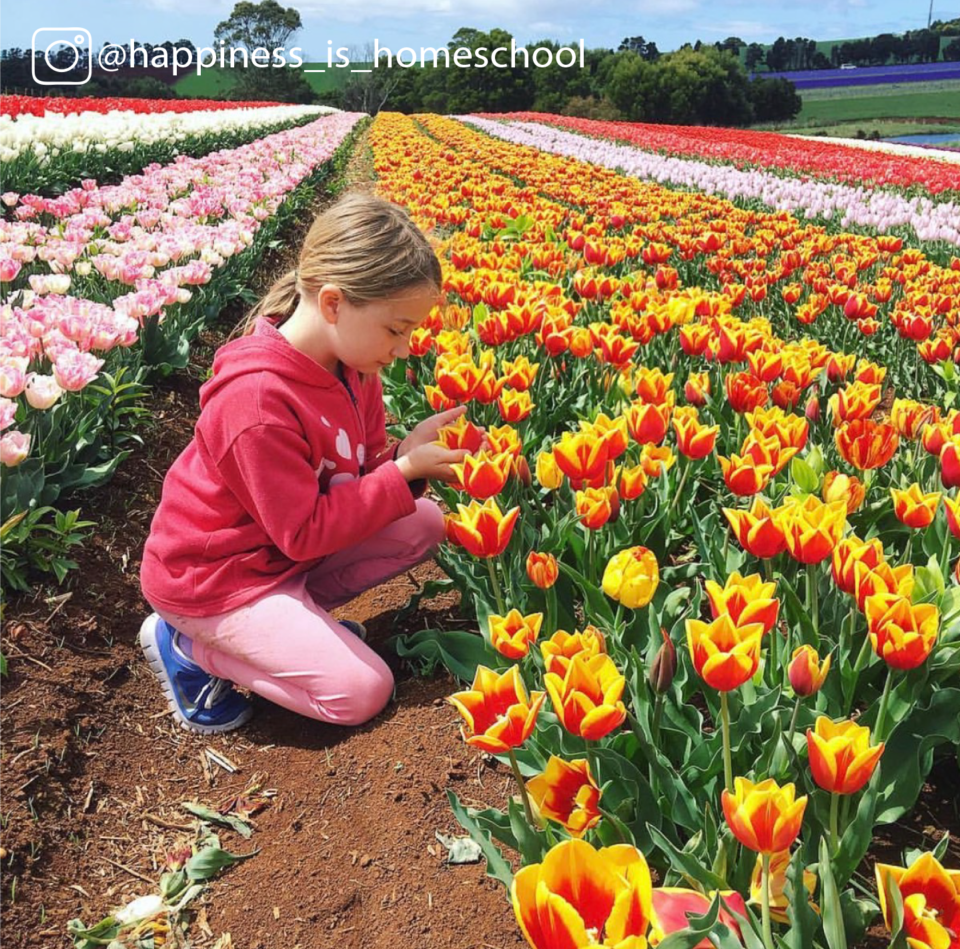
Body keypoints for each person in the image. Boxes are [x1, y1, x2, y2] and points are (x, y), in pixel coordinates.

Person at [139, 193, 477, 734]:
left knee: (425, 522)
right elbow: (304, 532)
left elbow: (359, 479)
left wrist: (402, 456)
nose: (407, 348)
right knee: (363, 692)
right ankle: (187, 647)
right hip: (217, 581)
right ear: (334, 303)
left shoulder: (354, 369)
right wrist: (404, 472)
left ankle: (294, 628)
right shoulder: (256, 404)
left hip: (277, 558)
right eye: (397, 329)